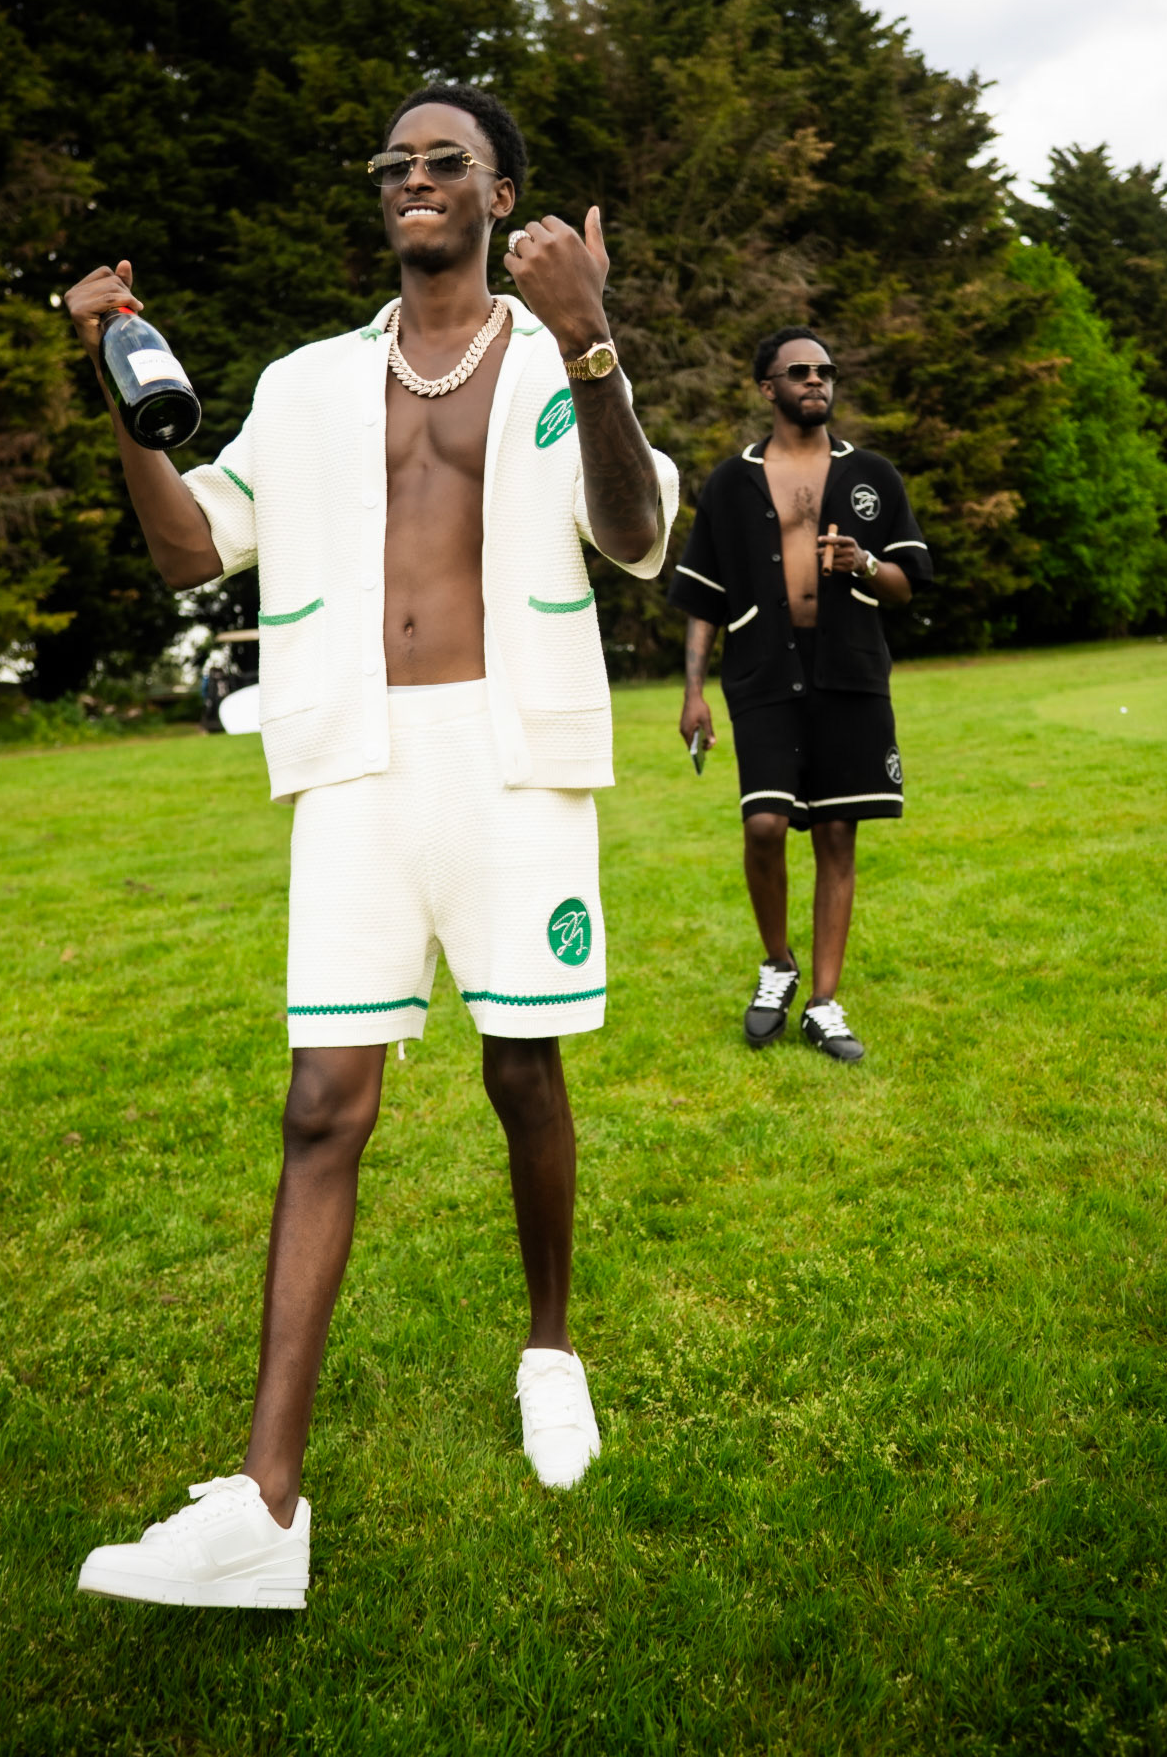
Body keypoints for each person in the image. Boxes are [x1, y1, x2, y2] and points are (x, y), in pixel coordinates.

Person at [65, 83, 678, 1609]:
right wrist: (116, 384)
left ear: (500, 193)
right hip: (351, 763)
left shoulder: (552, 356)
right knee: (321, 1107)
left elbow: (635, 534)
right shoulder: (307, 383)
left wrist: (593, 338)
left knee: (521, 1068)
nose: (414, 177)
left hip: (510, 759)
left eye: (445, 160)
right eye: (394, 162)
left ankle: (549, 1348)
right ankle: (266, 1508)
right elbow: (192, 547)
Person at [670, 326, 932, 1061]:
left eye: (825, 370)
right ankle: (776, 964)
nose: (816, 380)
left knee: (837, 833)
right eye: (799, 371)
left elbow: (908, 585)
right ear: (768, 388)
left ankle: (823, 1001)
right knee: (764, 824)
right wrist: (693, 692)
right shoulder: (731, 483)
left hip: (849, 669)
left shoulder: (872, 473)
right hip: (762, 670)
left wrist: (863, 562)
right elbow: (704, 599)